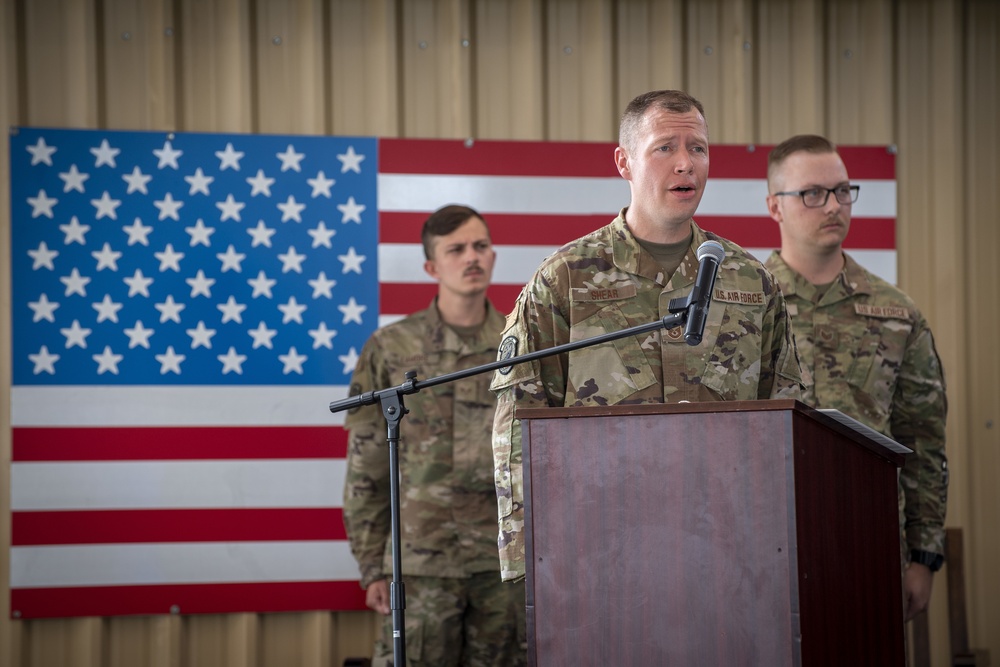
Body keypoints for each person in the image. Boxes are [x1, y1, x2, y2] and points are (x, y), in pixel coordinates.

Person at [489, 89, 804, 583]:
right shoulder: (566, 278)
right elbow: (520, 421)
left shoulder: (749, 280)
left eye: (698, 148)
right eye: (665, 148)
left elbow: (788, 415)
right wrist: (528, 556)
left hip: (728, 549)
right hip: (595, 551)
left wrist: (790, 542)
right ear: (624, 162)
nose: (686, 164)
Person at [763, 134, 949, 620]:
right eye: (812, 193)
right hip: (765, 547)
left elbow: (923, 439)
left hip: (869, 542)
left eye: (843, 191)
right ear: (775, 207)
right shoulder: (744, 309)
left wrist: (923, 557)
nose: (833, 206)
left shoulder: (897, 314)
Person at [343, 205, 526, 666]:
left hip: (502, 564)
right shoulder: (391, 348)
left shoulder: (521, 343)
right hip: (421, 565)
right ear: (431, 266)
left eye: (480, 246)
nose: (472, 258)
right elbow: (366, 468)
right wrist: (373, 567)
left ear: (494, 254)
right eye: (457, 249)